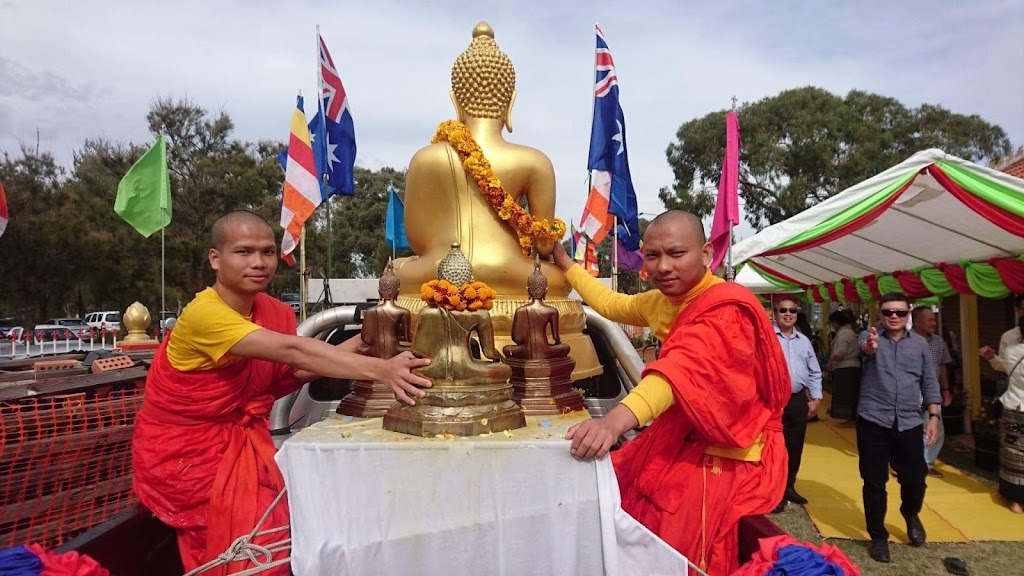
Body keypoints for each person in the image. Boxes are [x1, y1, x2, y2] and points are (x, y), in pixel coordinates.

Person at [131, 211, 432, 575]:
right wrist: (382, 370)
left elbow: (289, 374)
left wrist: (363, 343)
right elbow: (294, 351)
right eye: (243, 252)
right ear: (216, 258)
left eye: (268, 252)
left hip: (240, 448)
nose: (259, 262)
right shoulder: (204, 315)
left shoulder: (269, 311)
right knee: (251, 544)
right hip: (188, 454)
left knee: (274, 533)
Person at [552, 210, 790, 575]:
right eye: (652, 256)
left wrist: (613, 423)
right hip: (687, 433)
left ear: (707, 253)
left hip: (732, 450)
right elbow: (612, 304)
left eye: (676, 254)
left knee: (680, 542)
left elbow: (680, 371)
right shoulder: (661, 303)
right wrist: (567, 264)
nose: (663, 267)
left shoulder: (725, 308)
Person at [857, 292, 941, 563]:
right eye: (888, 312)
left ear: (908, 315)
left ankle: (910, 512)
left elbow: (929, 380)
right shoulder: (869, 336)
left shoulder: (919, 345)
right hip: (873, 420)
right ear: (880, 314)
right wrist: (870, 347)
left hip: (908, 421)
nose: (894, 316)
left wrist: (934, 416)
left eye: (900, 312)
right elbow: (864, 349)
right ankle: (878, 537)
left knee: (916, 477)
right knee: (873, 481)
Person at [771, 298, 822, 513]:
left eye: (792, 310)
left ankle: (789, 486)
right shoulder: (767, 339)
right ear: (776, 313)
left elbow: (814, 371)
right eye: (784, 310)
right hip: (774, 400)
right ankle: (775, 492)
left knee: (795, 445)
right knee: (775, 448)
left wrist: (816, 397)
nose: (788, 314)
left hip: (798, 400)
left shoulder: (804, 341)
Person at [980, 293, 1024, 513]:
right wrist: (992, 358)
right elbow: (1003, 367)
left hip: (1013, 403)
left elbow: (1007, 367)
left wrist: (992, 358)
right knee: (1013, 452)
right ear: (1018, 309)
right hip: (1015, 402)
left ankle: (1015, 499)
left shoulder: (1014, 347)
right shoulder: (1009, 337)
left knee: (1013, 453)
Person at [911, 306, 954, 478]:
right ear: (916, 322)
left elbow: (942, 366)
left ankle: (927, 464)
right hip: (909, 393)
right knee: (907, 429)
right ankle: (903, 464)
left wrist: (945, 389)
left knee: (935, 429)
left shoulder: (938, 341)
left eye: (934, 319)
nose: (934, 323)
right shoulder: (905, 340)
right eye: (929, 320)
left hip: (932, 393)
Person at [828, 310, 861, 425]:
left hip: (846, 367)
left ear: (836, 322)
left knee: (847, 395)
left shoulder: (843, 333)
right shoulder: (848, 331)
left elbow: (841, 351)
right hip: (850, 366)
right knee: (850, 394)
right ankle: (851, 418)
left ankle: (850, 419)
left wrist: (832, 361)